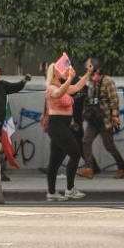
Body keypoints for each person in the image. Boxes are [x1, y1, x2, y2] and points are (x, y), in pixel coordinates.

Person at [44, 62, 89, 201]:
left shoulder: (61, 87)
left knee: (55, 161)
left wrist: (88, 73)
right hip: (57, 125)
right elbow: (58, 93)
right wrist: (69, 78)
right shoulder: (51, 88)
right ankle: (69, 189)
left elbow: (77, 87)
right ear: (55, 73)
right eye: (60, 70)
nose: (64, 71)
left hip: (63, 125)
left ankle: (52, 193)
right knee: (75, 154)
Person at [77, 58, 124, 178]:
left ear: (95, 67)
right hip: (93, 119)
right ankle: (89, 168)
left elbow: (114, 99)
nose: (87, 67)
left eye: (89, 65)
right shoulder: (91, 80)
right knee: (85, 141)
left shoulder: (107, 80)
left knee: (108, 145)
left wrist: (115, 116)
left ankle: (122, 167)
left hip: (105, 119)